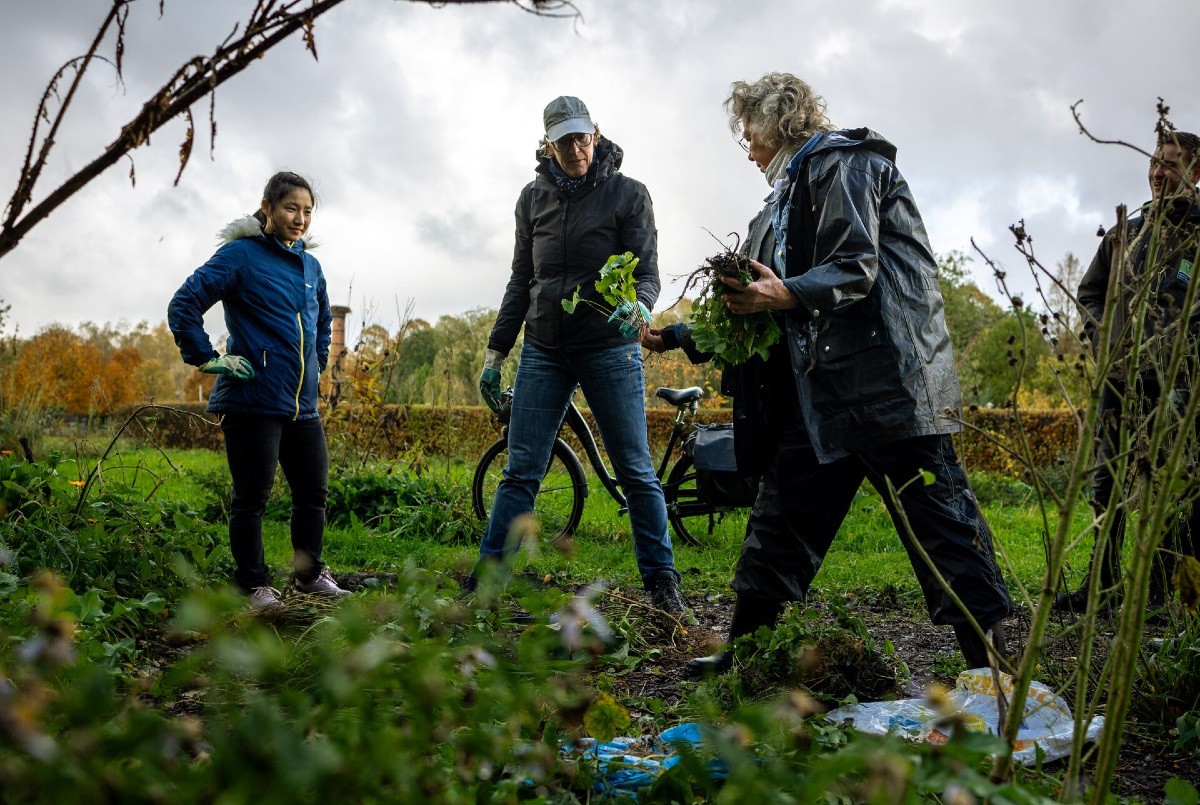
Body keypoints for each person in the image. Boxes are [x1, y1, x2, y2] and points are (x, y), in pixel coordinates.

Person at [644, 72, 1013, 673]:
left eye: (749, 133)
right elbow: (760, 309)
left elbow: (854, 265)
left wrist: (784, 291)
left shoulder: (847, 165)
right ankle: (743, 652)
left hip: (888, 386)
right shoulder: (779, 201)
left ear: (775, 121)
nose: (748, 148)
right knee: (780, 520)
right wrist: (680, 334)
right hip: (819, 397)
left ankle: (992, 665)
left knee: (940, 524)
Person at [470, 95, 688, 617]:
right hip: (544, 350)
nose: (576, 147)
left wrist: (639, 304)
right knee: (522, 469)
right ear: (548, 143)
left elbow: (648, 273)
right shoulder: (532, 198)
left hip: (610, 349)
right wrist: (497, 352)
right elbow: (522, 280)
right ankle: (484, 587)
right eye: (565, 139)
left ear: (596, 132)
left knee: (636, 470)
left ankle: (662, 584)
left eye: (583, 136)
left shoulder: (629, 195)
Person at [168, 171, 349, 609]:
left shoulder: (310, 265)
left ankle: (307, 577)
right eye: (291, 208)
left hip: (301, 406)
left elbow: (323, 319)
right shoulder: (240, 256)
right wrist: (208, 357)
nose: (300, 218)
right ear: (267, 208)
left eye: (307, 211)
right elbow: (184, 303)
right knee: (252, 498)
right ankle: (253, 586)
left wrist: (317, 363)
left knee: (313, 493)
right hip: (252, 401)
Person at [1054, 131, 1200, 614]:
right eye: (1156, 162)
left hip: (1179, 385)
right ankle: (1102, 586)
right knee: (1108, 485)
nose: (1159, 173)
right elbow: (1089, 292)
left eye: (1172, 165)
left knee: (1172, 490)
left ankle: (1160, 595)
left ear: (1195, 173)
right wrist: (1104, 344)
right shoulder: (1127, 231)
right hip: (1119, 382)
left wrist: (1184, 353)